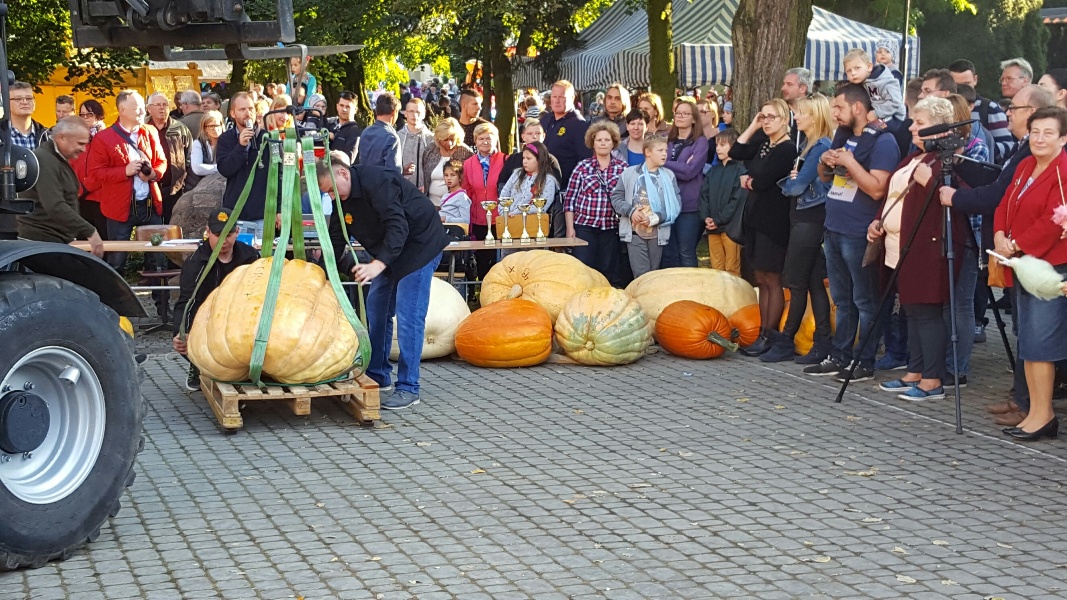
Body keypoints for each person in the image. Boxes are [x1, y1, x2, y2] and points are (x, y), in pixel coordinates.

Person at [941, 83, 1056, 426]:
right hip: (1012, 250)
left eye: (1015, 108)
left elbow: (999, 195)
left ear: (1034, 114)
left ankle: (1032, 405)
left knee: (1033, 334)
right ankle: (1022, 397)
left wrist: (956, 199)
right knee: (1024, 329)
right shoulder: (1021, 153)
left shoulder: (1041, 160)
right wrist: (956, 161)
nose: (1008, 113)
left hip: (1033, 255)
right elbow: (999, 184)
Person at [317, 154, 450, 410]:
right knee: (377, 308)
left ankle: (409, 387)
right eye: (327, 194)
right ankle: (378, 374)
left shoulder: (378, 181)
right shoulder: (341, 199)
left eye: (332, 190)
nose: (332, 197)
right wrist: (322, 274)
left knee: (409, 314)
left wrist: (378, 264)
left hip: (419, 246)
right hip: (388, 253)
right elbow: (336, 238)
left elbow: (397, 225)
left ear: (343, 174)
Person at [866, 97, 974, 401]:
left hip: (927, 248)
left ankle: (932, 379)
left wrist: (934, 181)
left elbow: (959, 199)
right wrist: (879, 221)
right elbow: (893, 195)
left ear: (940, 129)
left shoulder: (947, 160)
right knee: (912, 312)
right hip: (898, 246)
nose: (912, 127)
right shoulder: (913, 157)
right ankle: (914, 370)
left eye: (920, 123)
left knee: (927, 313)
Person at [806, 83, 900, 382]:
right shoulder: (844, 136)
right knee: (842, 299)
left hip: (858, 231)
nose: (834, 114)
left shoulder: (884, 141)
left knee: (865, 300)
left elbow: (876, 189)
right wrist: (826, 162)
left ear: (858, 108)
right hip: (833, 226)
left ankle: (864, 359)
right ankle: (840, 354)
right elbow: (826, 178)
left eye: (839, 108)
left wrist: (849, 162)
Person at [991, 106, 1067, 440]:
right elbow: (1003, 204)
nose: (1039, 138)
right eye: (1035, 131)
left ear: (1063, 138)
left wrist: (1016, 244)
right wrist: (998, 236)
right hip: (1020, 263)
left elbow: (1054, 222)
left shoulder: (1064, 172)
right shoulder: (1024, 166)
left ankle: (1044, 414)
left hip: (1048, 267)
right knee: (1030, 345)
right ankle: (1036, 412)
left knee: (1041, 345)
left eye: (1048, 133)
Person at [762, 93, 835, 364]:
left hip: (810, 218)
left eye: (802, 112)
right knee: (813, 281)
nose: (797, 116)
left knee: (796, 281)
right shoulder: (808, 145)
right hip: (803, 216)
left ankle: (788, 338)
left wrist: (789, 182)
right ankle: (820, 340)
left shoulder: (819, 147)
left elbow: (797, 186)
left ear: (815, 116)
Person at [729, 99, 799, 356]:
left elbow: (763, 180)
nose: (767, 121)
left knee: (772, 278)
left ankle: (770, 334)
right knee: (760, 276)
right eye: (764, 116)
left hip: (773, 220)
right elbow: (736, 151)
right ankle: (761, 332)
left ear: (785, 120)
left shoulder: (786, 149)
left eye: (772, 117)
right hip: (755, 218)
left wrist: (750, 181)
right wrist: (753, 125)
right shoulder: (763, 142)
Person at [171, 208, 258, 390]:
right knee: (183, 339)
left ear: (237, 232)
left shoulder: (250, 257)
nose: (223, 241)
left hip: (241, 317)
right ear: (208, 232)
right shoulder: (196, 263)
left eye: (229, 234)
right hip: (206, 320)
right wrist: (180, 331)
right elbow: (186, 302)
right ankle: (197, 365)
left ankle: (250, 367)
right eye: (218, 235)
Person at [84, 90, 167, 271]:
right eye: (137, 108)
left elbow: (162, 162)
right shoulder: (103, 138)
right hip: (119, 208)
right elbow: (95, 172)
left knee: (157, 258)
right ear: (122, 110)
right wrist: (125, 171)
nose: (142, 112)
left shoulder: (150, 131)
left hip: (150, 204)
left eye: (142, 108)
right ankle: (114, 299)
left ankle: (161, 299)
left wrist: (153, 174)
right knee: (116, 260)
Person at [16, 117, 103, 255]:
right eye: (80, 144)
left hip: (51, 242)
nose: (83, 149)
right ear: (62, 137)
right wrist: (90, 231)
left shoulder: (55, 158)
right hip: (42, 243)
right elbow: (55, 206)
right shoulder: (45, 159)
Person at [564, 121, 627, 284]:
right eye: (599, 140)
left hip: (611, 228)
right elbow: (570, 199)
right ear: (592, 143)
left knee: (608, 269)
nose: (603, 143)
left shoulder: (622, 168)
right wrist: (570, 228)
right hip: (585, 227)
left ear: (613, 142)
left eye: (607, 140)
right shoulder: (582, 167)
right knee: (584, 268)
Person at [610, 136, 681, 278]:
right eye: (660, 150)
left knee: (653, 276)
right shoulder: (629, 174)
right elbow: (616, 197)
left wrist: (656, 218)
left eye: (665, 150)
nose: (664, 154)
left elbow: (675, 204)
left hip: (658, 234)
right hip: (635, 233)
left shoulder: (669, 176)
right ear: (648, 152)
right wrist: (631, 211)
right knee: (641, 275)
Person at [661, 97, 709, 269]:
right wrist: (680, 165)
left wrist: (664, 162)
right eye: (678, 113)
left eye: (685, 113)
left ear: (694, 118)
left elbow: (689, 171)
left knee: (686, 251)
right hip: (667, 204)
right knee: (669, 252)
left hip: (689, 205)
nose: (680, 116)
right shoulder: (667, 141)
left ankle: (691, 289)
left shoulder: (700, 142)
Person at [216, 92, 270, 231]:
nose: (248, 113)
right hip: (235, 213)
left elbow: (279, 175)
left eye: (251, 109)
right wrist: (240, 146)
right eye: (242, 109)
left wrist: (278, 210)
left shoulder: (267, 138)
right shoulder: (225, 139)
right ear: (233, 113)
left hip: (262, 214)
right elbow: (225, 170)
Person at [462, 122, 506, 283]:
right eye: (481, 138)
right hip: (478, 217)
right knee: (481, 258)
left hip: (500, 217)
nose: (485, 142)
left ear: (496, 139)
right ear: (475, 141)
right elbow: (467, 191)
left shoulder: (505, 160)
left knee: (500, 258)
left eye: (489, 138)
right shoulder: (468, 164)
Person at [698, 128, 746, 277]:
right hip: (713, 228)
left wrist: (719, 220)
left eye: (723, 145)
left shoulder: (741, 171)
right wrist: (706, 217)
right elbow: (704, 196)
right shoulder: (713, 171)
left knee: (732, 267)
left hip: (731, 229)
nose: (718, 148)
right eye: (717, 145)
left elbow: (736, 200)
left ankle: (736, 300)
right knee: (716, 268)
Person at [949, 59, 1014, 164]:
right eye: (957, 85)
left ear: (975, 80)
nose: (961, 89)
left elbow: (1008, 146)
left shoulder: (990, 108)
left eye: (967, 84)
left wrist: (980, 147)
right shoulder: (942, 108)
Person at [146, 91, 192, 223]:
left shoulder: (179, 128)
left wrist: (185, 184)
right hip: (148, 189)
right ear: (149, 109)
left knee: (172, 228)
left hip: (173, 189)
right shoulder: (142, 128)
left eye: (165, 105)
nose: (162, 108)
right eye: (158, 105)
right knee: (151, 229)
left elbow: (189, 156)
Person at [541, 80, 593, 186]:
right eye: (554, 97)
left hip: (565, 187)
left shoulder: (579, 125)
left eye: (562, 97)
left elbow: (585, 160)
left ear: (572, 98)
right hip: (542, 183)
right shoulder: (545, 119)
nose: (557, 101)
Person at [499, 141, 561, 226]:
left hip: (533, 224)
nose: (524, 161)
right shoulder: (517, 174)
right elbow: (505, 192)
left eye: (528, 158)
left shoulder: (548, 180)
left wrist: (517, 212)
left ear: (539, 160)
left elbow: (542, 206)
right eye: (523, 158)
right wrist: (504, 212)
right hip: (510, 220)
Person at [73, 100, 108, 238]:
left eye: (89, 114)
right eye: (82, 115)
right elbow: (73, 164)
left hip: (100, 198)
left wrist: (83, 189)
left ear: (98, 115)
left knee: (103, 238)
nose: (85, 117)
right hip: (80, 198)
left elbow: (103, 170)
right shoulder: (77, 138)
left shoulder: (106, 137)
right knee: (83, 240)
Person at [499, 120, 562, 196]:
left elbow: (556, 187)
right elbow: (502, 183)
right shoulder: (513, 159)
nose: (534, 137)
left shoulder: (550, 160)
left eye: (538, 133)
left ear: (544, 136)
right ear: (523, 137)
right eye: (530, 134)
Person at [422, 118, 474, 205]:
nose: (449, 143)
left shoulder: (466, 152)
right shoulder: (430, 150)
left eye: (452, 139)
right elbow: (423, 174)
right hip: (431, 204)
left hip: (455, 205)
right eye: (445, 140)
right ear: (438, 139)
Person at [357, 92, 403, 172]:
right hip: (382, 183)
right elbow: (394, 173)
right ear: (394, 112)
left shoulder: (366, 132)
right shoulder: (392, 138)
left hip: (364, 181)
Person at [398, 98, 434, 189]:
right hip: (402, 191)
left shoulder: (431, 139)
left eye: (418, 112)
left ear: (424, 113)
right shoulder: (397, 137)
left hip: (425, 192)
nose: (414, 115)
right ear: (405, 113)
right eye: (411, 111)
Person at [187, 110, 224, 190]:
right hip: (197, 188)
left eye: (217, 125)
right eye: (211, 126)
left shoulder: (227, 143)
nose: (215, 129)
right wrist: (222, 168)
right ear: (205, 128)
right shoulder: (198, 143)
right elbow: (197, 168)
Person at [328, 91, 363, 164]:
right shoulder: (329, 124)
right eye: (341, 105)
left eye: (348, 107)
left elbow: (348, 159)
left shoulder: (355, 131)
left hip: (340, 172)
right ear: (337, 106)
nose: (344, 109)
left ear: (355, 110)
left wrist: (329, 154)